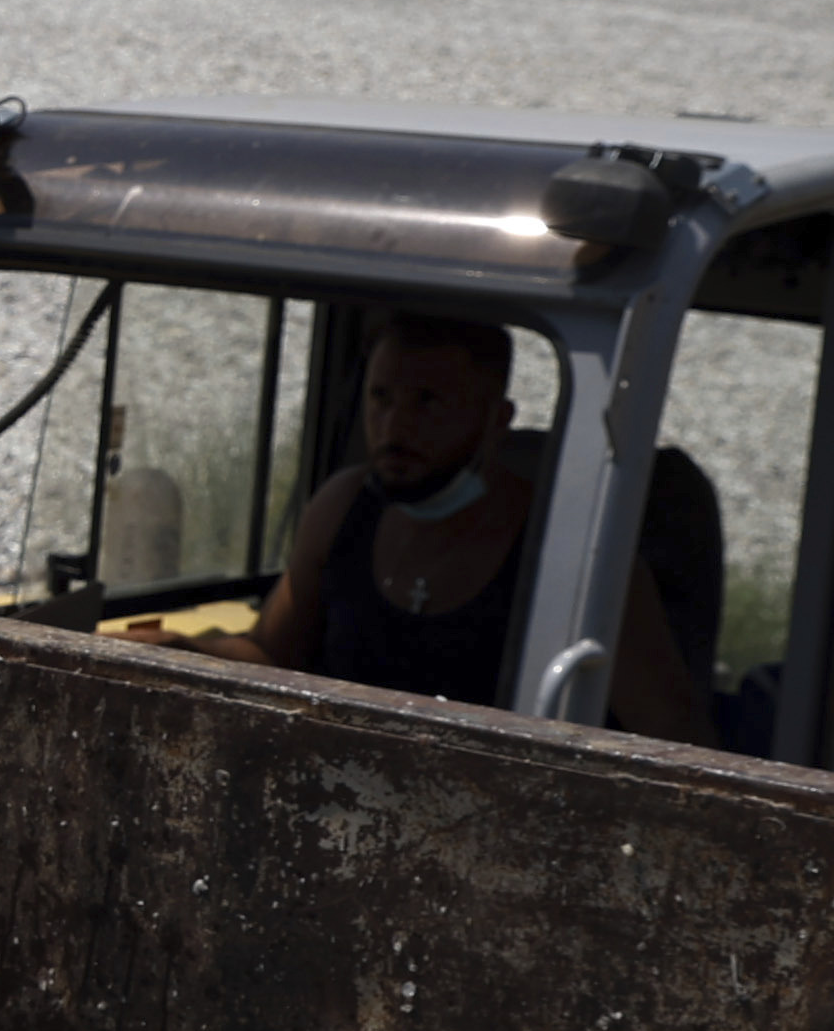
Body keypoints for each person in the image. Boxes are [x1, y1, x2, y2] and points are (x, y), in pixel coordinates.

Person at [172, 309, 708, 739]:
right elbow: (272, 656)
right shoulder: (342, 509)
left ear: (495, 420)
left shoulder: (570, 551)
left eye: (428, 402)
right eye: (381, 399)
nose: (395, 425)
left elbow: (669, 737)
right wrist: (170, 651)